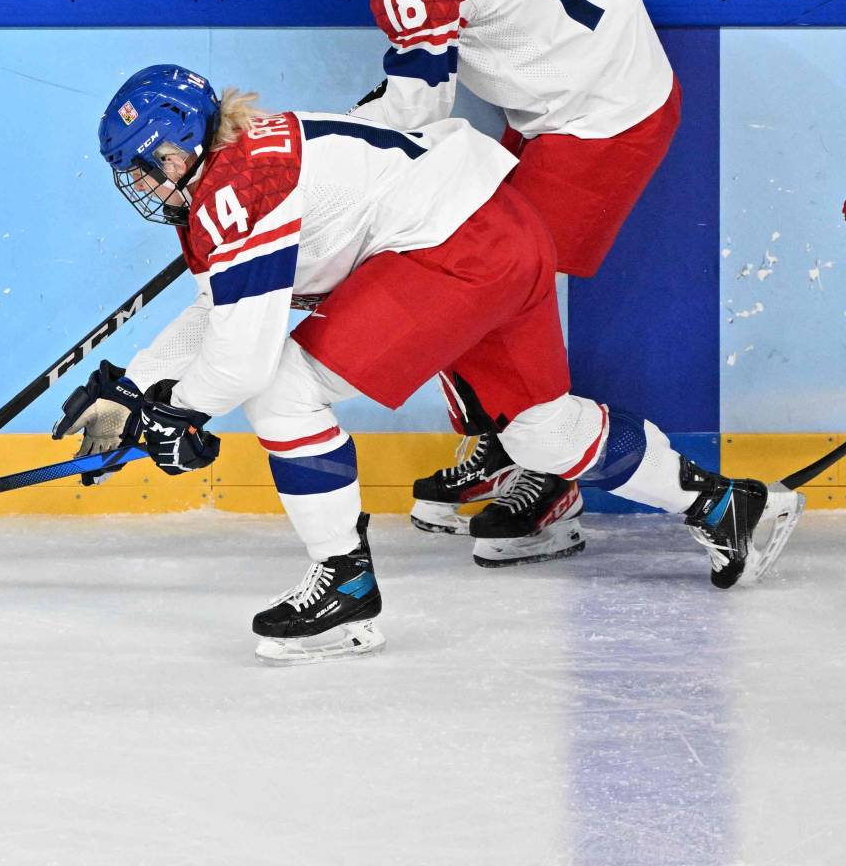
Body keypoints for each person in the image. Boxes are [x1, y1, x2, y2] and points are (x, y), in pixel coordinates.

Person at [53, 64, 803, 663]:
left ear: (181, 144)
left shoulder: (233, 191)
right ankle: (729, 505)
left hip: (454, 256)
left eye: (147, 166)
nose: (143, 186)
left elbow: (245, 361)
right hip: (500, 228)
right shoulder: (242, 161)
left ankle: (344, 585)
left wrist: (171, 412)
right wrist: (137, 387)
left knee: (283, 392)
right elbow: (224, 313)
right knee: (540, 432)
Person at [286, 0, 682, 564]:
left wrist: (321, 165)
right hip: (585, 84)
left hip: (602, 114)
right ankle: (505, 442)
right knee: (470, 262)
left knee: (482, 272)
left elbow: (415, 118)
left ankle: (544, 474)